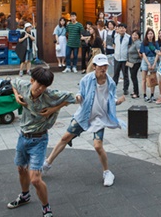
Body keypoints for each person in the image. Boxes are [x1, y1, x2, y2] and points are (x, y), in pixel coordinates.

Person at [42, 54, 126, 187]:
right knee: (65, 137)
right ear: (94, 67)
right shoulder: (86, 79)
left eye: (105, 66)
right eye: (100, 66)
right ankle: (47, 163)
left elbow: (112, 99)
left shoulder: (111, 82)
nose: (103, 69)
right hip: (84, 115)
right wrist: (79, 97)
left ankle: (107, 172)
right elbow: (80, 93)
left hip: (100, 117)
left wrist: (118, 102)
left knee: (98, 146)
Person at [7, 67, 76, 216]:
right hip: (23, 136)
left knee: (36, 179)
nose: (40, 89)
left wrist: (54, 109)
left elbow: (72, 97)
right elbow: (13, 81)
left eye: (44, 87)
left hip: (39, 139)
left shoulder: (50, 95)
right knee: (20, 168)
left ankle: (46, 208)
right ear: (32, 81)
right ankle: (24, 195)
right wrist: (16, 94)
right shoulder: (24, 86)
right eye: (39, 85)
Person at [140, 28, 160, 102]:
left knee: (153, 78)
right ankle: (144, 95)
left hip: (154, 59)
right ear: (146, 35)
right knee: (143, 79)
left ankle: (152, 95)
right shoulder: (144, 43)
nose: (150, 35)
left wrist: (154, 63)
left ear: (153, 34)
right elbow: (143, 54)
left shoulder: (155, 43)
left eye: (151, 33)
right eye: (148, 34)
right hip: (146, 60)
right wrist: (148, 63)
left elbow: (158, 53)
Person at [112, 23, 131, 95]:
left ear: (125, 29)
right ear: (118, 29)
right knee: (115, 74)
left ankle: (125, 89)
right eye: (120, 28)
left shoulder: (129, 37)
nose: (122, 29)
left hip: (125, 58)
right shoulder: (116, 36)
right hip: (117, 58)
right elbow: (114, 45)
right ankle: (113, 88)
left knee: (125, 74)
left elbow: (130, 47)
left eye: (123, 28)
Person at [128, 30, 142, 99]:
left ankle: (136, 93)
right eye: (133, 34)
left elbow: (140, 53)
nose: (134, 36)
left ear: (139, 36)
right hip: (131, 62)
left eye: (136, 35)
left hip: (136, 62)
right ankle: (134, 91)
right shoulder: (133, 43)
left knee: (134, 77)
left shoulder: (137, 43)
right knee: (133, 77)